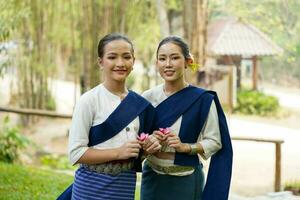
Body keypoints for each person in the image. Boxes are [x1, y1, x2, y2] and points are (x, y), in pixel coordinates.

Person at [57, 33, 161, 200]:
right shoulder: (88, 101)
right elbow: (76, 153)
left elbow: (137, 154)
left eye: (126, 57)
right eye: (112, 57)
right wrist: (118, 153)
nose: (120, 63)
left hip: (124, 186)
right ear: (100, 62)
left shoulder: (141, 106)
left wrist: (148, 148)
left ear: (133, 62)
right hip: (89, 188)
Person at [141, 36, 233, 200]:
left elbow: (214, 141)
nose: (168, 64)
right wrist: (149, 142)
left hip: (186, 179)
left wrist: (186, 147)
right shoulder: (147, 98)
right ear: (157, 64)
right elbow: (137, 139)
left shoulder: (202, 99)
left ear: (187, 61)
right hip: (152, 177)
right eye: (162, 59)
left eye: (175, 57)